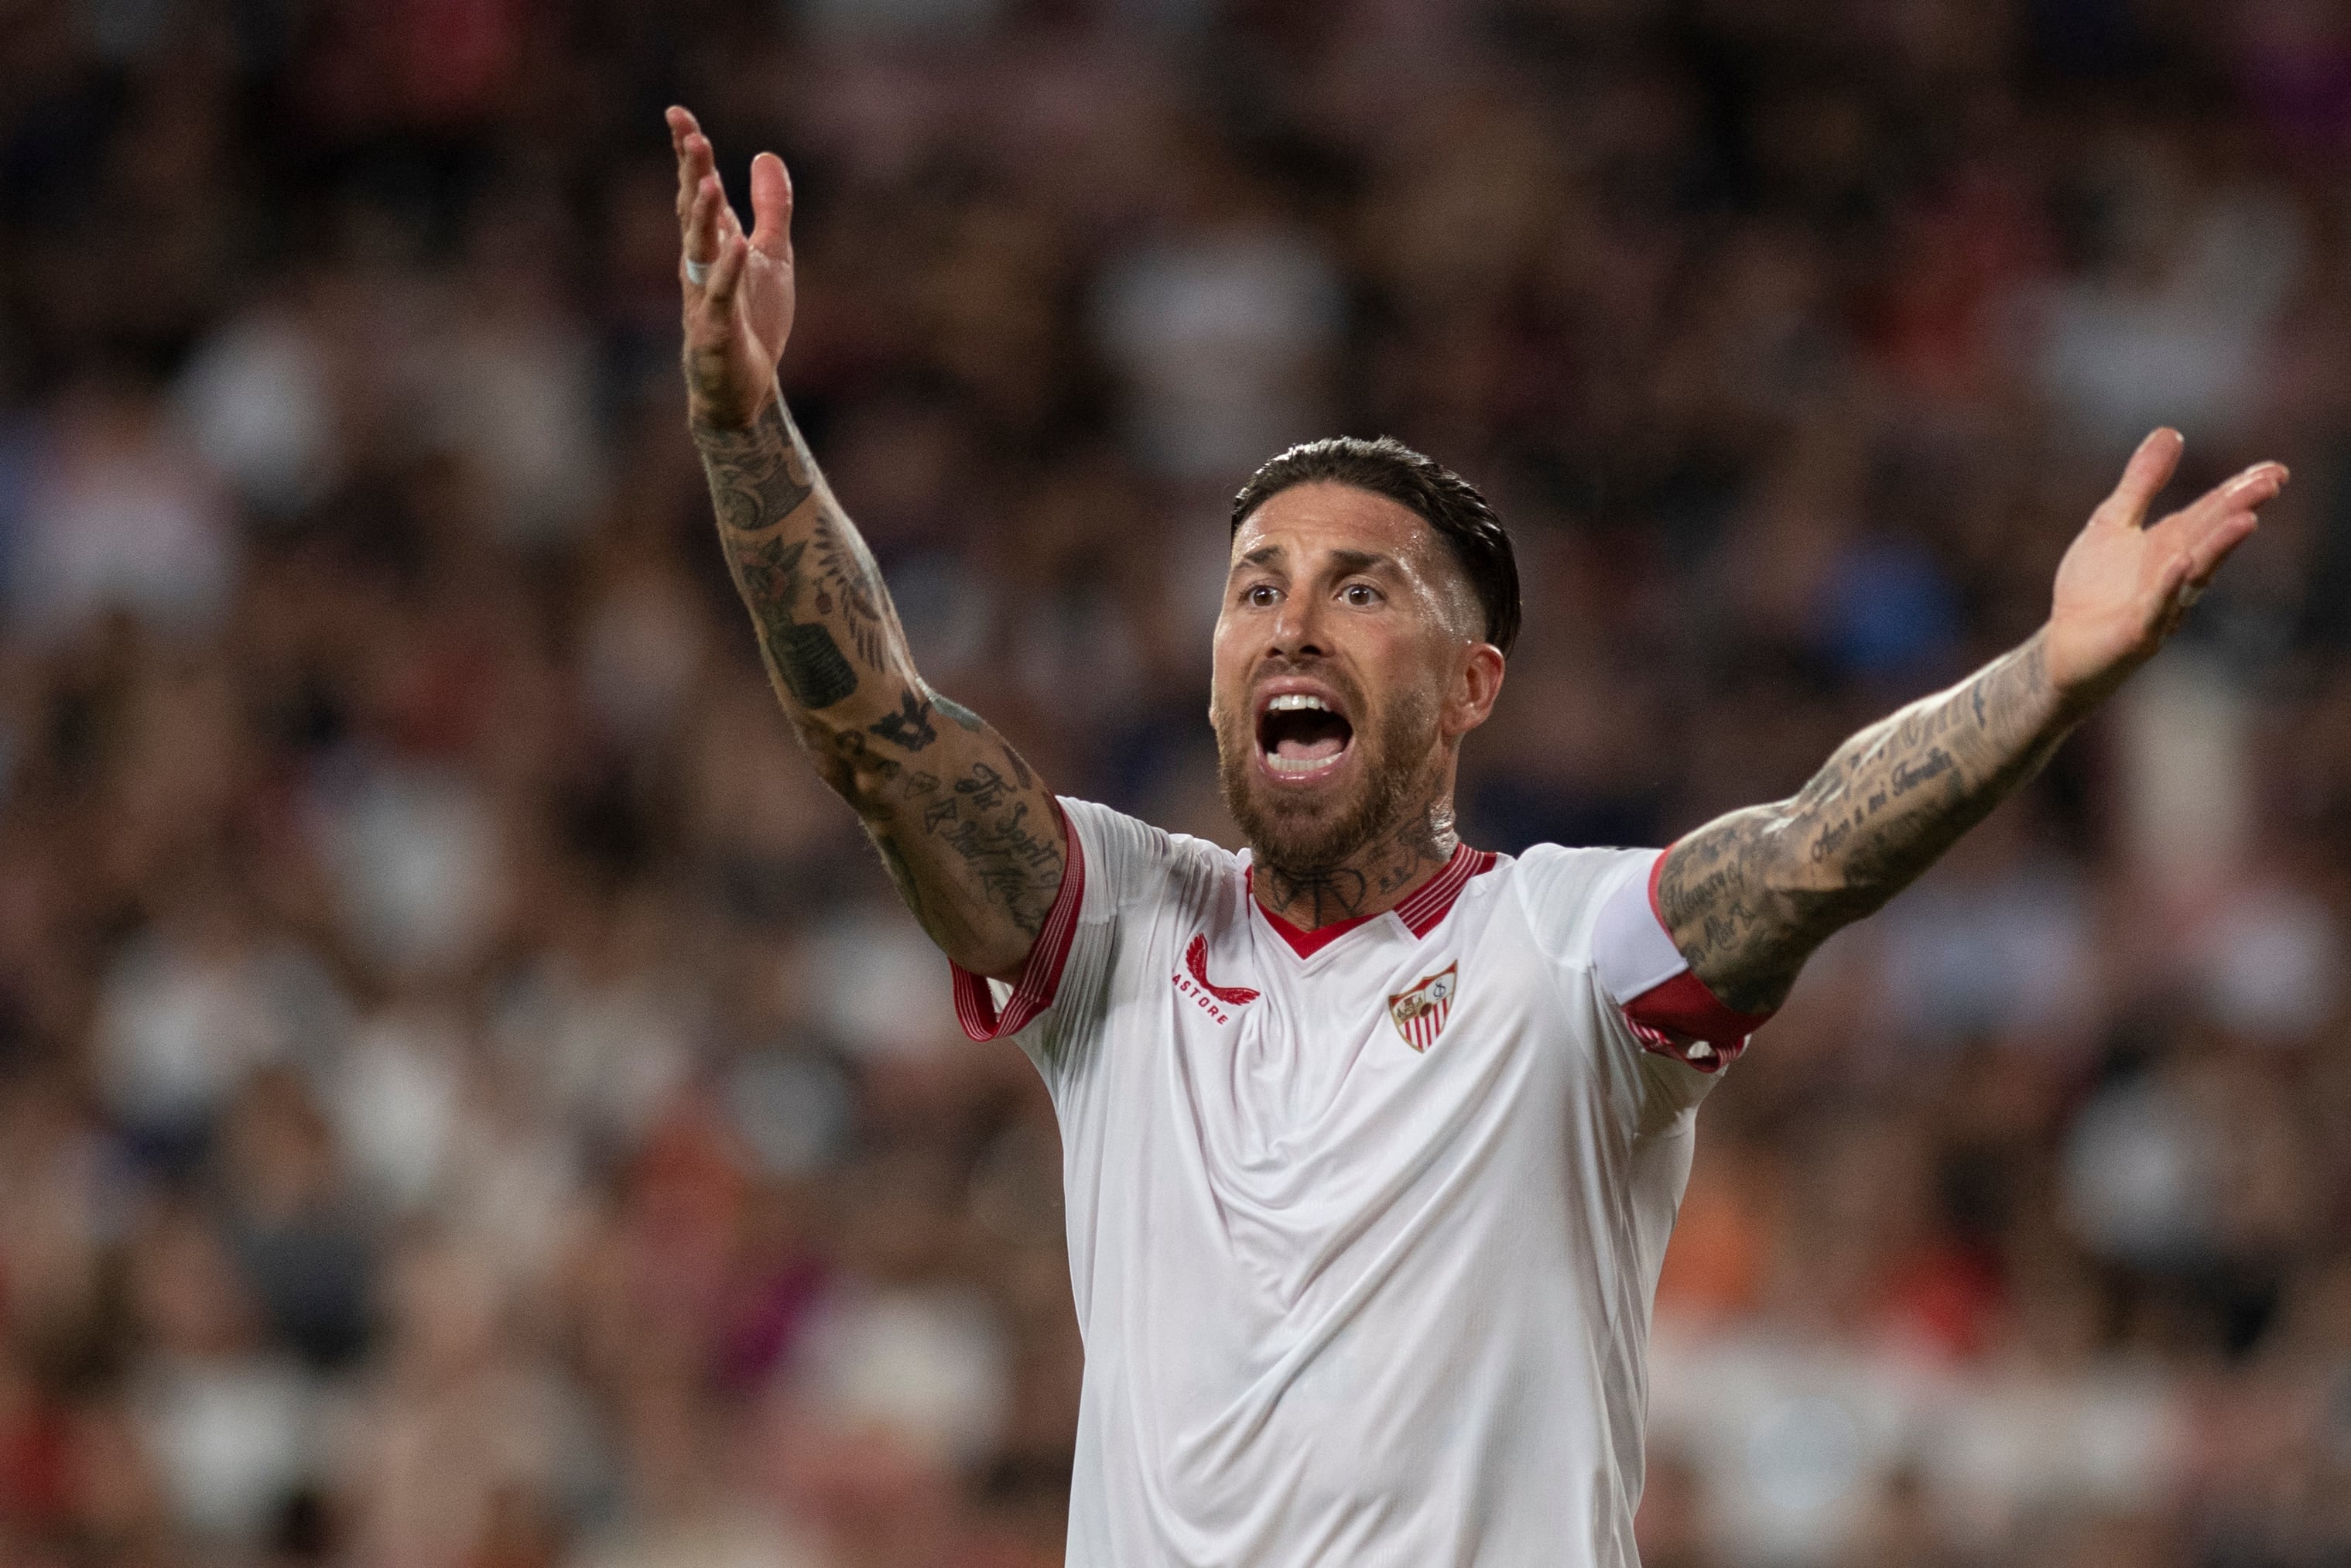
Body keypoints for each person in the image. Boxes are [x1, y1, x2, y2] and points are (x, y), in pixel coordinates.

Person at [662, 106, 2287, 1566]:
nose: (1289, 619)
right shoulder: (1114, 934)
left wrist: (2049, 676)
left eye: (1357, 588)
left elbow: (1811, 846)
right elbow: (875, 729)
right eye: (1252, 589)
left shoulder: (1565, 952)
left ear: (1468, 684)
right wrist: (747, 427)